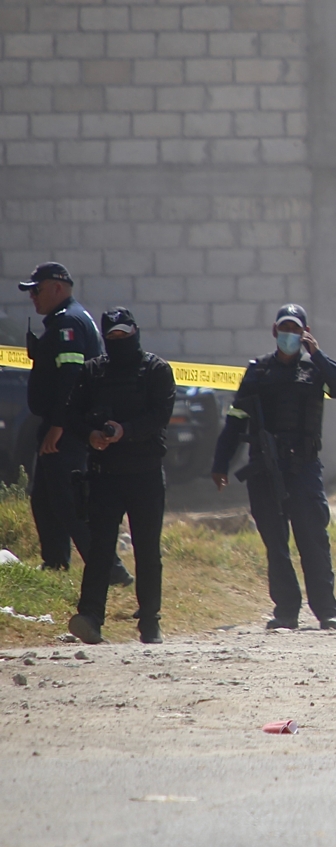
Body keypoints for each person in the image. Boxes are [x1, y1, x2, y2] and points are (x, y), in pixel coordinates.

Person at [210, 304, 336, 631]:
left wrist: (317, 354)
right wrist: (220, 463)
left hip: (303, 468)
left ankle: (326, 611)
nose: (289, 335)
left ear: (304, 332)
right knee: (276, 544)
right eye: (284, 329)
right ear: (275, 332)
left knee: (312, 540)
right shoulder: (257, 372)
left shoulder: (316, 370)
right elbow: (236, 420)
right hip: (264, 468)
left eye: (296, 329)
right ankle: (286, 611)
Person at [17, 262, 132, 585]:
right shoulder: (63, 320)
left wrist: (58, 425)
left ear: (57, 287)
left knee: (71, 502)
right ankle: (55, 563)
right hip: (61, 425)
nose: (33, 298)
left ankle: (112, 572)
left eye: (36, 290)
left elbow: (71, 378)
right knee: (45, 497)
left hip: (67, 429)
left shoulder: (68, 322)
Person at [64, 309, 175, 645]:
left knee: (147, 550)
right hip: (105, 475)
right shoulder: (93, 372)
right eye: (111, 337)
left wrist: (126, 431)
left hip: (144, 474)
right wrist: (92, 435)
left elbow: (160, 415)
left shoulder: (156, 370)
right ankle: (91, 617)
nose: (118, 342)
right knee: (100, 550)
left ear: (135, 334)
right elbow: (72, 415)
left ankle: (150, 620)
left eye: (123, 336)